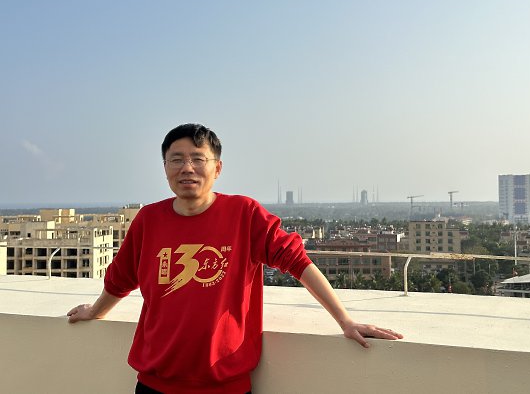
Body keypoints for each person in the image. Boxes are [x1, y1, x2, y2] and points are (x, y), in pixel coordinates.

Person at [67, 123, 403, 394]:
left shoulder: (244, 213)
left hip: (224, 385)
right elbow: (121, 278)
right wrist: (95, 311)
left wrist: (345, 321)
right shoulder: (148, 220)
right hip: (155, 382)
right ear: (165, 167)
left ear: (217, 167)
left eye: (198, 159)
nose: (187, 168)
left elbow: (298, 263)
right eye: (176, 159)